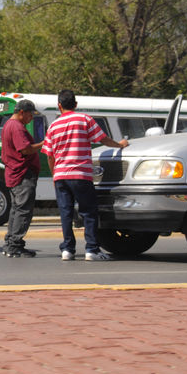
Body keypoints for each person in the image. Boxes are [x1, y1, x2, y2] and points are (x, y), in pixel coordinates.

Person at [42, 89, 128, 261]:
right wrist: (120, 145)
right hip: (80, 174)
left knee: (66, 213)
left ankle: (67, 249)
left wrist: (54, 175)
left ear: (59, 106)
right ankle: (92, 249)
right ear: (75, 104)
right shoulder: (84, 119)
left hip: (60, 176)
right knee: (88, 212)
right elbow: (102, 139)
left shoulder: (53, 126)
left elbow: (49, 156)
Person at [0, 99, 44, 258]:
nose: (31, 118)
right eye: (30, 115)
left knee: (16, 210)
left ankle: (10, 244)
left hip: (14, 173)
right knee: (23, 210)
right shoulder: (17, 127)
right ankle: (15, 245)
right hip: (22, 173)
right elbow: (25, 149)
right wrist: (43, 143)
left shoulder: (8, 125)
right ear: (21, 112)